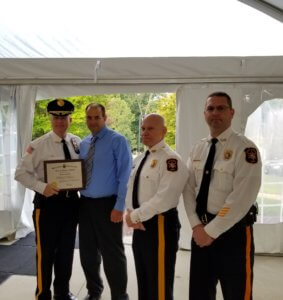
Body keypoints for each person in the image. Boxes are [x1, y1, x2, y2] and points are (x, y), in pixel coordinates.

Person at [183, 92, 262, 300]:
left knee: (237, 293)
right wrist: (196, 226)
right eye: (210, 109)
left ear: (232, 113)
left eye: (221, 108)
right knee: (199, 294)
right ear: (204, 114)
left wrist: (211, 231)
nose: (215, 113)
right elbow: (189, 189)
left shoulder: (245, 148)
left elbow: (242, 198)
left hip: (233, 236)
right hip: (200, 234)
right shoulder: (198, 148)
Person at [15, 99, 80, 300]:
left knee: (67, 251)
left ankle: (62, 292)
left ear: (70, 118)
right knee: (46, 252)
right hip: (48, 205)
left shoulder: (76, 142)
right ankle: (43, 293)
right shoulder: (38, 145)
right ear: (50, 118)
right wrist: (42, 187)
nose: (60, 121)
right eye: (55, 117)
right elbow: (20, 173)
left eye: (64, 117)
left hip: (71, 204)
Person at [125, 113, 188, 300]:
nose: (145, 132)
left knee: (159, 281)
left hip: (159, 225)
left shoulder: (171, 160)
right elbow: (131, 189)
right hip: (140, 225)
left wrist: (134, 216)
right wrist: (130, 213)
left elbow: (165, 199)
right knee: (144, 278)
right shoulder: (140, 158)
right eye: (143, 128)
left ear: (164, 131)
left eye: (150, 128)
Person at [79, 103, 132, 300]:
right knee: (88, 254)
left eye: (96, 117)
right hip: (85, 204)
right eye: (89, 118)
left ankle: (120, 295)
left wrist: (119, 206)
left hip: (108, 205)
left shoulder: (117, 140)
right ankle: (94, 292)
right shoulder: (84, 143)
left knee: (112, 254)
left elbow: (125, 176)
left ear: (105, 117)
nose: (92, 122)